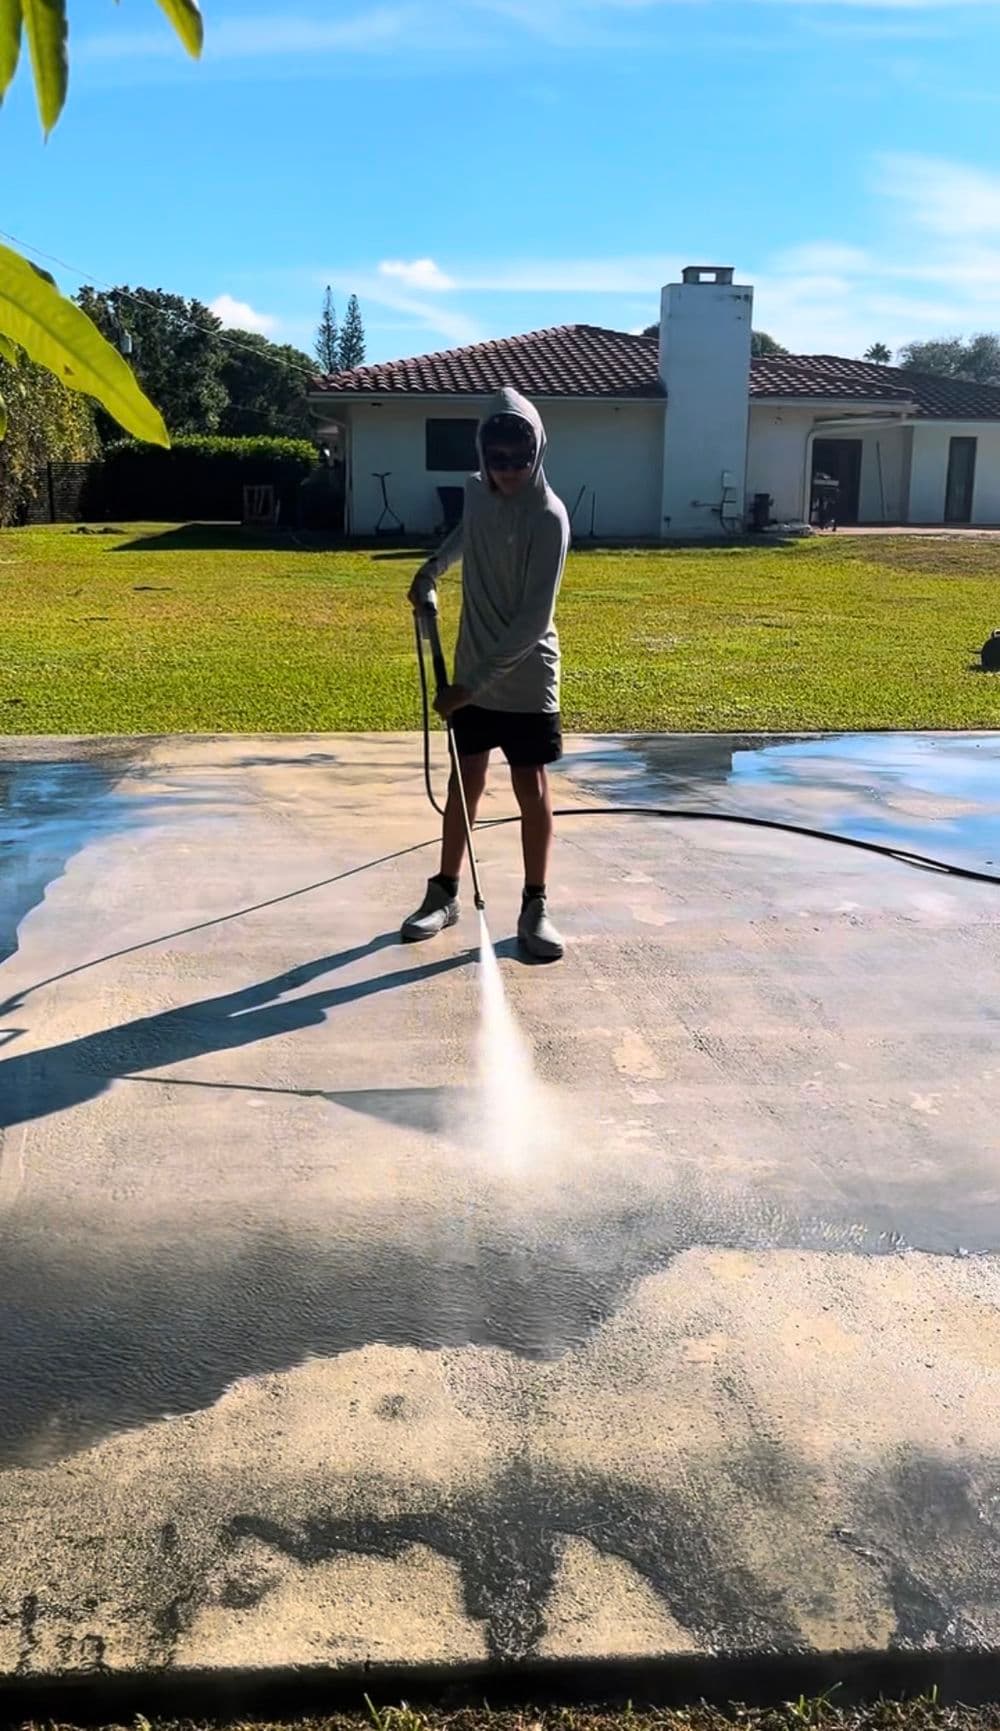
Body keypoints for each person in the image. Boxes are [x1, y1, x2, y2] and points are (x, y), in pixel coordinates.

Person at [402, 386, 570, 961]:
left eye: (519, 461)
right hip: (471, 670)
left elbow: (532, 621)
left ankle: (535, 905)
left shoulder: (550, 518)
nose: (509, 472)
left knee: (531, 788)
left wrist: (470, 688)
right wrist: (431, 572)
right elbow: (464, 538)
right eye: (497, 461)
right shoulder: (477, 494)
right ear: (483, 457)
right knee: (463, 783)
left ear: (537, 452)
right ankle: (444, 893)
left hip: (524, 679)